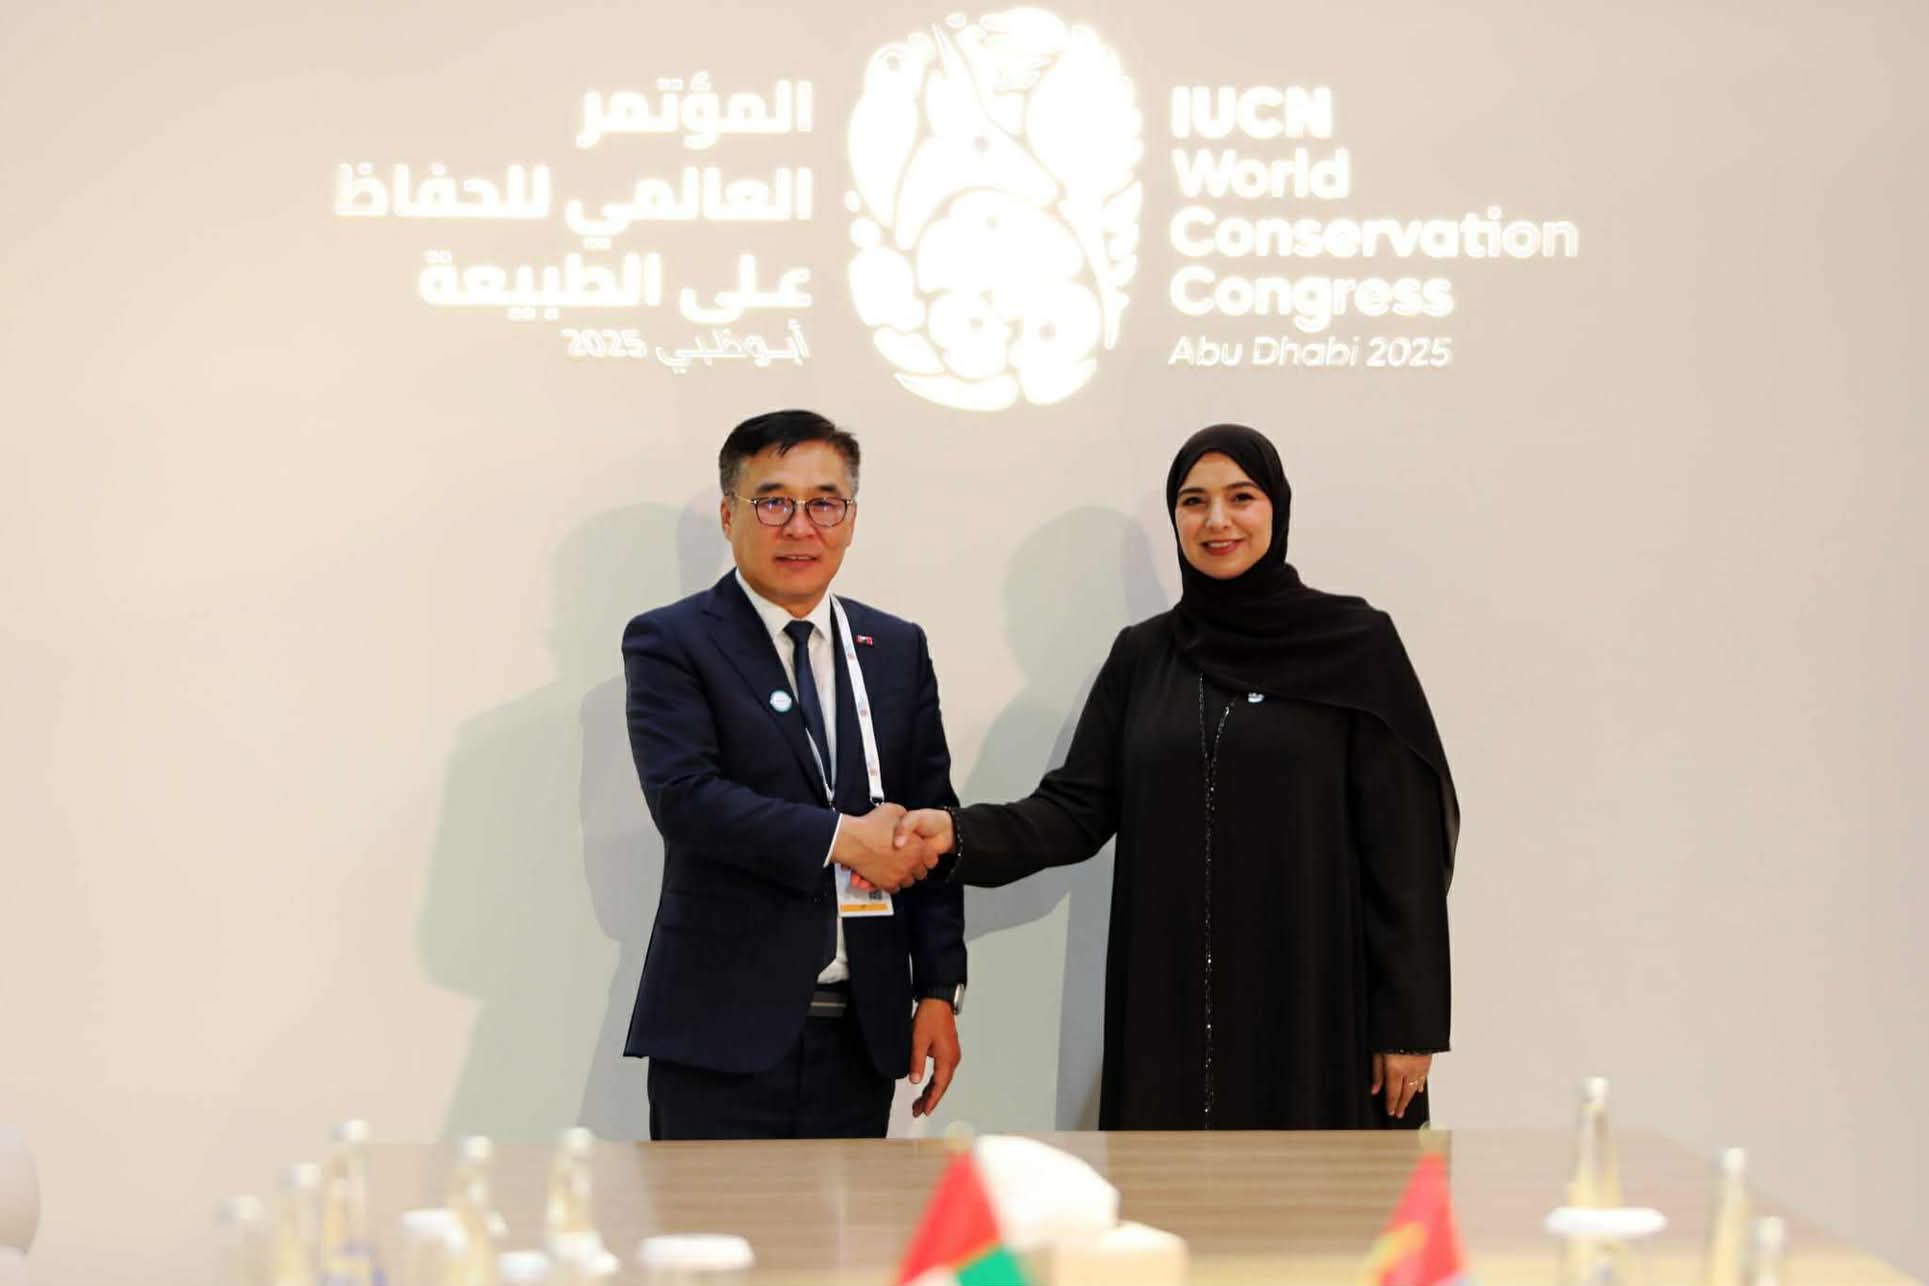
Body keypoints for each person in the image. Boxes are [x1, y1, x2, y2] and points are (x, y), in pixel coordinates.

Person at [894, 423, 1457, 1130]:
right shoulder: (1144, 656)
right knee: (1173, 1189)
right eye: (1194, 502)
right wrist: (956, 833)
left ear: (1276, 507)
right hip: (1171, 1004)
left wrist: (1407, 1024)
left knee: (1314, 1192)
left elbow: (1404, 850)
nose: (1217, 520)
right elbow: (1073, 809)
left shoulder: (1354, 644)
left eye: (1240, 497)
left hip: (1314, 1001)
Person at [621, 409, 966, 1139]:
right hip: (720, 1033)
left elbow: (931, 819)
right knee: (709, 1218)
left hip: (862, 1034)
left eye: (824, 504)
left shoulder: (894, 648)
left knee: (853, 1222)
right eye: (773, 502)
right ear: (729, 515)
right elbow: (686, 799)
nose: (800, 527)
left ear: (850, 519)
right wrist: (843, 838)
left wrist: (938, 989)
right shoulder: (672, 640)